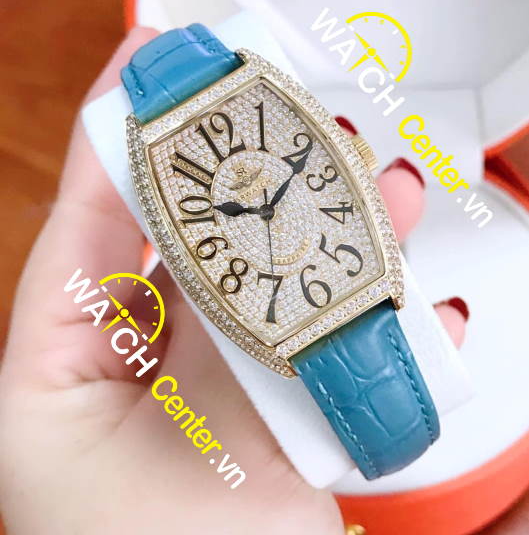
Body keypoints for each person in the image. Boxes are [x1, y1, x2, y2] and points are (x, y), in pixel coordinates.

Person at [0, 27, 478, 534]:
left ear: (348, 156)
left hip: (355, 292)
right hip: (298, 327)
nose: (265, 211)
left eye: (266, 203)